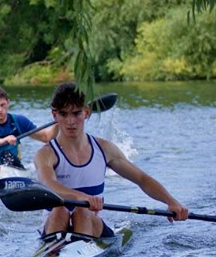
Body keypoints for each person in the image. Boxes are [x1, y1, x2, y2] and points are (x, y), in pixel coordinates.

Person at [34, 82, 188, 237]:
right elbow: (49, 184)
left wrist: (171, 201)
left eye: (76, 113)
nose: (70, 121)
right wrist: (81, 197)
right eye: (63, 114)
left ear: (86, 112)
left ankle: (78, 250)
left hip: (92, 223)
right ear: (55, 115)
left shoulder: (105, 149)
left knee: (82, 210)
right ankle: (53, 254)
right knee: (61, 208)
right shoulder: (45, 154)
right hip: (54, 224)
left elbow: (142, 179)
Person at [0, 86, 55, 168]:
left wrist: (59, 122)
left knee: (6, 154)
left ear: (8, 103)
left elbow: (45, 137)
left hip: (12, 164)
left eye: (2, 105)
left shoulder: (19, 121)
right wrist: (3, 140)